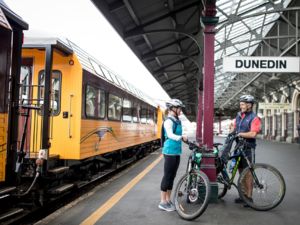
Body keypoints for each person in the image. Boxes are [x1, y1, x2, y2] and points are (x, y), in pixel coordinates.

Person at [159, 99, 188, 212]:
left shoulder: (177, 120)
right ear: (173, 109)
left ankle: (168, 200)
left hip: (176, 152)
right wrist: (181, 137)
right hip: (169, 152)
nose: (181, 110)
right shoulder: (168, 121)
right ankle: (162, 202)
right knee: (167, 175)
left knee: (172, 176)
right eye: (179, 108)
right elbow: (170, 135)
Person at [232, 95, 261, 207]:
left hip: (248, 148)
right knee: (240, 172)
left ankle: (249, 198)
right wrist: (232, 132)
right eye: (240, 104)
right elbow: (234, 128)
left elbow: (253, 133)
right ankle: (243, 195)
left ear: (249, 105)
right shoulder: (239, 116)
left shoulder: (254, 118)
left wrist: (240, 134)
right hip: (238, 147)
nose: (241, 106)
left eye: (243, 104)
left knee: (248, 173)